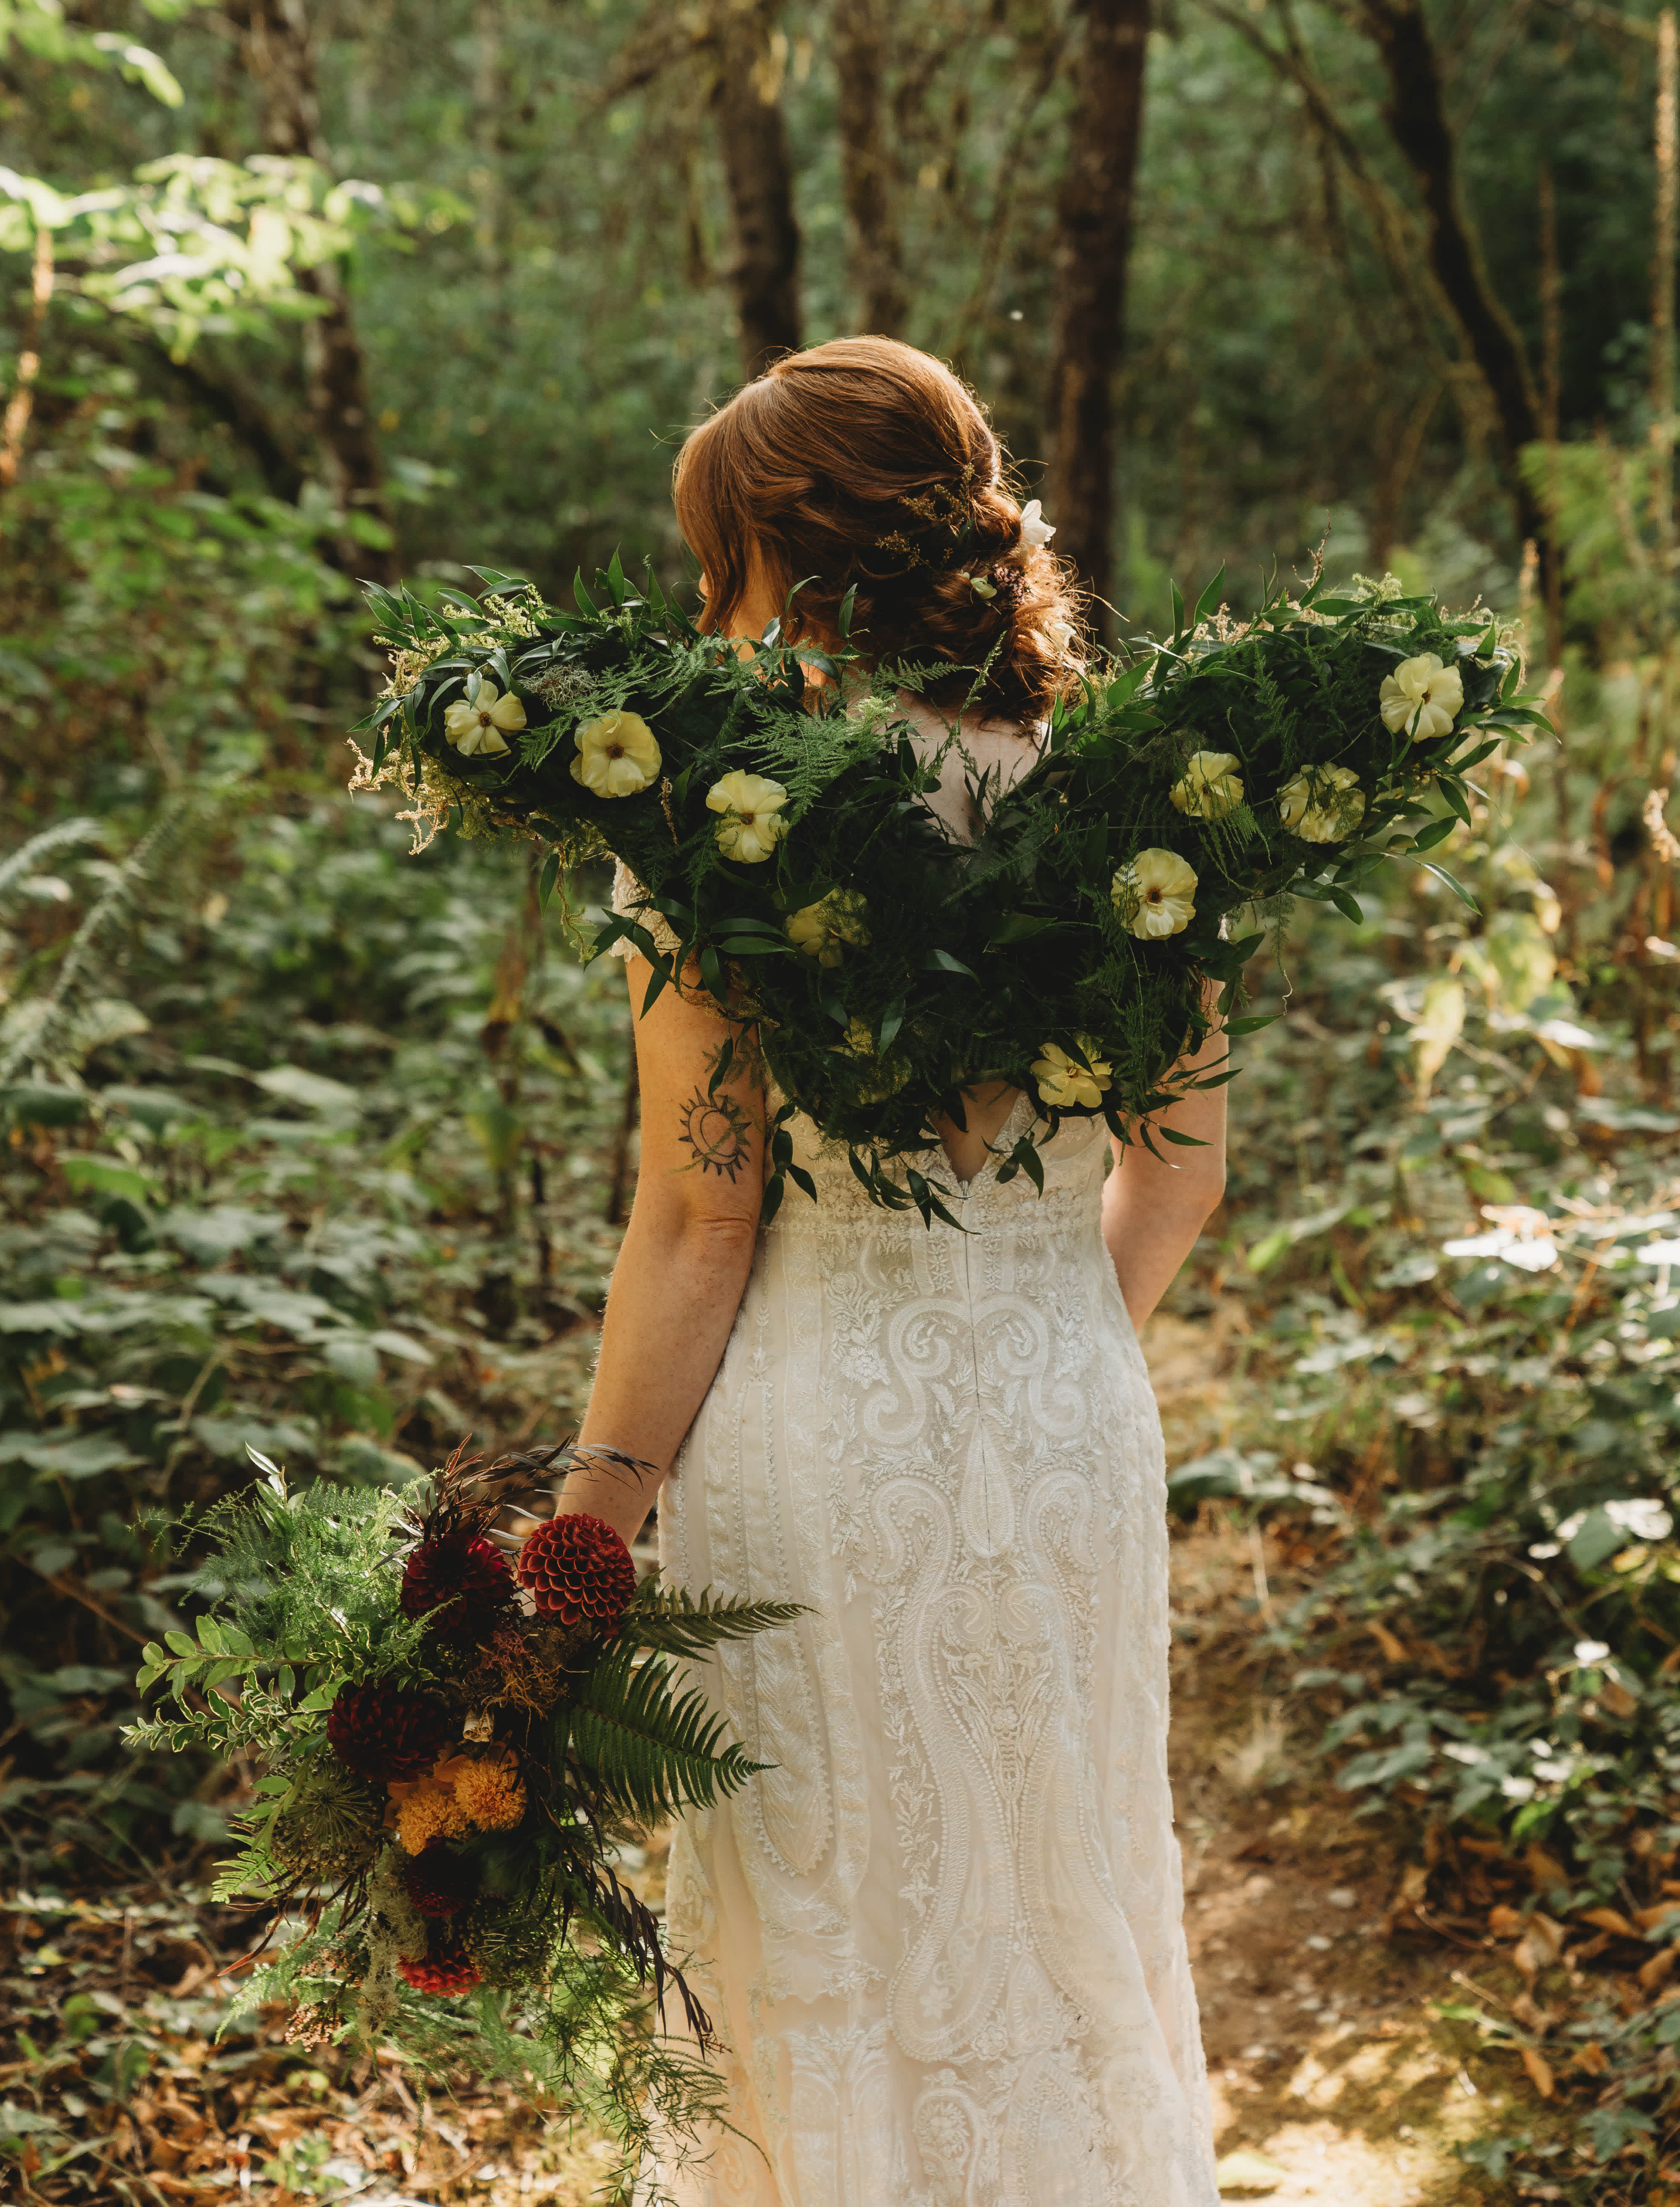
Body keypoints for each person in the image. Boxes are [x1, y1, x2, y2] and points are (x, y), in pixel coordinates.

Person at [556, 337, 1225, 2207]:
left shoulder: (715, 828)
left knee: (823, 1921)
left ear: (799, 552)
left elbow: (698, 1220)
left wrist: (585, 1528)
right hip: (1067, 1415)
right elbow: (1182, 1175)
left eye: (724, 559)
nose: (709, 607)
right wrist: (1033, 1336)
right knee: (1056, 1889)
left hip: (812, 1439)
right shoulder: (1145, 809)